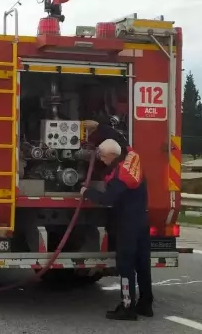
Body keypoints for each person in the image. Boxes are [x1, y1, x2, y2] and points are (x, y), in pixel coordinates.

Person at [80, 138, 153, 321]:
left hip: (128, 225)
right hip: (142, 221)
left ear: (112, 155)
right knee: (142, 264)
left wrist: (86, 192)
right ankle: (146, 304)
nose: (102, 160)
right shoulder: (131, 159)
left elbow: (108, 199)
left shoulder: (122, 175)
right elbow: (118, 139)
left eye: (103, 157)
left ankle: (127, 307)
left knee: (126, 265)